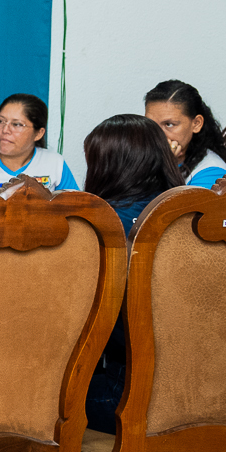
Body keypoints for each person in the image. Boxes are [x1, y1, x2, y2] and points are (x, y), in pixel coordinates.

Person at [79, 114, 186, 432]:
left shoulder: (104, 226)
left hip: (128, 398)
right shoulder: (189, 213)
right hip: (202, 396)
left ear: (106, 165)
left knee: (29, 395)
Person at [0, 93, 77, 193]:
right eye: (0, 121)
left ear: (39, 133)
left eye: (16, 124)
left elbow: (76, 209)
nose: (5, 130)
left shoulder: (55, 163)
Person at [143, 79, 226, 187]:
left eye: (169, 124)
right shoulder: (140, 156)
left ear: (196, 124)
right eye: (151, 124)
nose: (157, 134)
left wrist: (166, 167)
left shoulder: (212, 172)